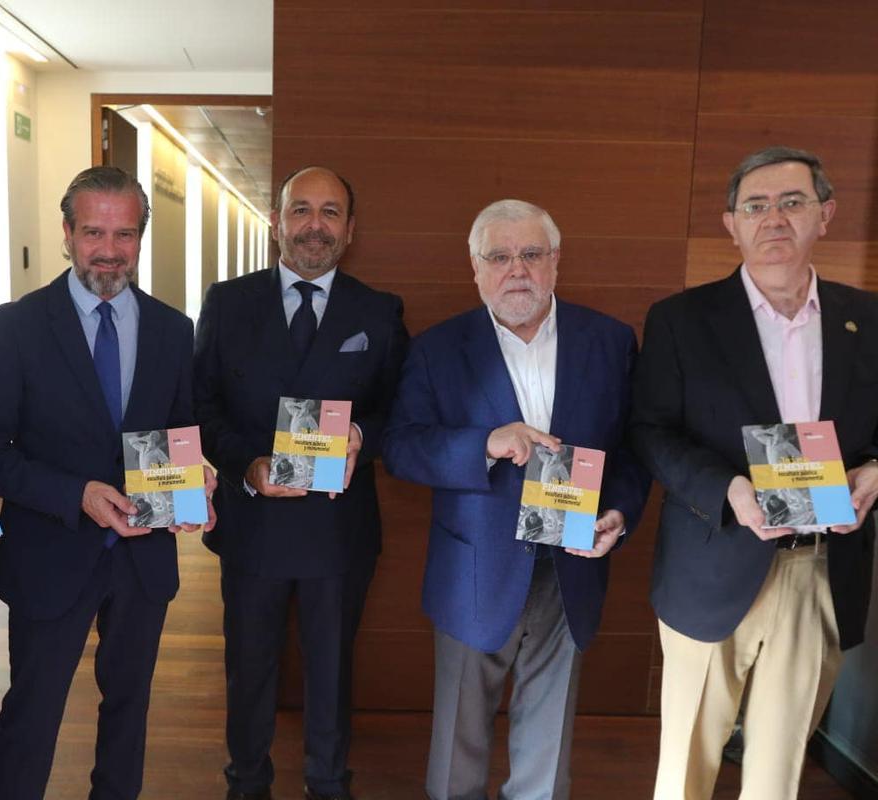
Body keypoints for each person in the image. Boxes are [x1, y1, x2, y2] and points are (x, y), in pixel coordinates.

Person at [0, 165, 215, 799]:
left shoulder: (171, 328)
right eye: (94, 232)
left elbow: (179, 429)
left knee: (129, 711)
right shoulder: (16, 327)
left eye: (124, 234)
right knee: (33, 714)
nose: (109, 250)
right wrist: (74, 493)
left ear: (140, 238)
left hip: (142, 558)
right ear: (67, 233)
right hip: (50, 552)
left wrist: (193, 482)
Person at [632, 146, 878, 800]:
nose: (775, 219)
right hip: (711, 564)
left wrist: (877, 471)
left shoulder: (870, 319)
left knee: (777, 775)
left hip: (820, 571)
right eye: (757, 206)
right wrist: (730, 490)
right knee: (686, 766)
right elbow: (650, 432)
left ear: (824, 215)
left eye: (792, 203)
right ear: (731, 224)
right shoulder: (681, 320)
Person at [383, 199, 650, 800]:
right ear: (475, 268)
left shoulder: (609, 341)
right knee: (458, 745)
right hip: (473, 567)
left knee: (548, 746)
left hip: (572, 564)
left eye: (531, 254)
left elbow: (633, 451)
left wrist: (620, 512)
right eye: (498, 257)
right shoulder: (436, 348)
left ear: (556, 261)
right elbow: (401, 448)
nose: (517, 270)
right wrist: (484, 443)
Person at [194, 166, 409, 800]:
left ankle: (328, 781)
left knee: (332, 669)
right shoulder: (228, 302)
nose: (314, 225)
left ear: (351, 229)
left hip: (338, 530)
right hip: (253, 519)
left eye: (331, 212)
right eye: (300, 210)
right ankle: (247, 781)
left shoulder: (379, 310)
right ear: (276, 223)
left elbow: (401, 411)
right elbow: (202, 406)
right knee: (249, 667)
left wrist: (362, 439)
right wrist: (246, 467)